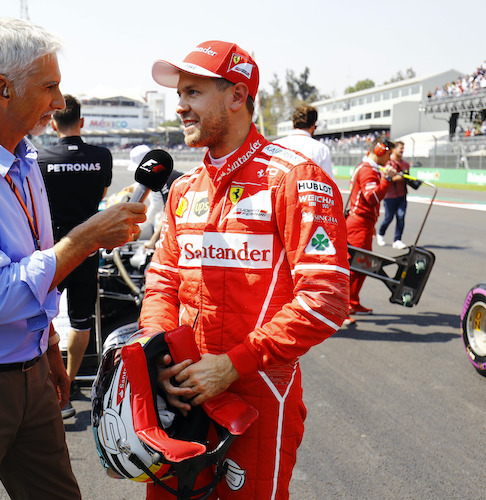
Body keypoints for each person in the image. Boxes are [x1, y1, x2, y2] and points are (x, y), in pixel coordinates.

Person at [0, 18, 146, 499]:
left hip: (32, 372)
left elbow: (32, 261)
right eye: (49, 86)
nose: (59, 102)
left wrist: (46, 350)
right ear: (2, 89)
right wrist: (83, 239)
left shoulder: (25, 158)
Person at [139, 40, 350, 499]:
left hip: (257, 397)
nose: (179, 107)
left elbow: (327, 297)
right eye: (180, 94)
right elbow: (162, 282)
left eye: (192, 92)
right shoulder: (182, 190)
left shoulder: (294, 178)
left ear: (237, 96)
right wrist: (158, 356)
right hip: (181, 393)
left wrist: (234, 365)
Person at [37, 94, 113, 419]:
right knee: (82, 322)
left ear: (53, 123)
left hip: (52, 250)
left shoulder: (39, 157)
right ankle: (67, 381)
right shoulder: (102, 156)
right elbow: (103, 194)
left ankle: (48, 385)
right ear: (81, 123)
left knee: (41, 318)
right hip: (87, 250)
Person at [346, 136, 402, 315]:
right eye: (388, 155)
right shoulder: (368, 171)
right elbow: (372, 198)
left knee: (361, 267)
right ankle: (345, 306)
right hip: (358, 224)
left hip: (363, 223)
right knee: (355, 267)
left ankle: (352, 301)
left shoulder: (369, 168)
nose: (389, 160)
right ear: (379, 152)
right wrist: (387, 180)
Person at [274, 104, 335, 181]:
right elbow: (329, 183)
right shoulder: (321, 149)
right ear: (313, 125)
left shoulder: (275, 145)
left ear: (293, 124)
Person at [377, 141, 410, 250]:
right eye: (400, 148)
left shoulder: (406, 164)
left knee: (401, 217)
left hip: (402, 195)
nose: (402, 150)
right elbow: (385, 179)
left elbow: (407, 177)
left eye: (403, 148)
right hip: (389, 196)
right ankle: (381, 233)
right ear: (394, 149)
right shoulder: (388, 163)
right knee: (388, 217)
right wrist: (399, 177)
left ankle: (397, 240)